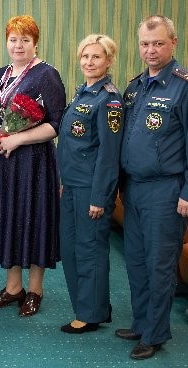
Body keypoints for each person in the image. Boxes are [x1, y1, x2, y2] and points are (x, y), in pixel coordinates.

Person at [117, 15, 188, 360]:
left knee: (159, 265)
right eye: (145, 43)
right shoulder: (135, 87)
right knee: (137, 263)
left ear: (173, 43)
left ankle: (155, 334)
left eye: (158, 43)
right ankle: (142, 323)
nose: (150, 50)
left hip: (167, 191)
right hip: (136, 189)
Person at [0, 15, 65, 317]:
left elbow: (56, 124)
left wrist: (19, 139)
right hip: (5, 161)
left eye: (25, 40)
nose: (18, 45)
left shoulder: (46, 74)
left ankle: (35, 290)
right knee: (9, 219)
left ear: (35, 43)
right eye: (13, 39)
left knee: (34, 219)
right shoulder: (0, 74)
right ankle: (13, 288)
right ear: (6, 42)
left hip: (35, 162)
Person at [57, 34, 122, 334]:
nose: (89, 62)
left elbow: (109, 156)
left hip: (91, 190)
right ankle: (89, 306)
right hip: (71, 186)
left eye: (96, 57)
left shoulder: (109, 101)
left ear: (109, 61)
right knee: (70, 250)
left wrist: (100, 196)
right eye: (85, 56)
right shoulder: (82, 93)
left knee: (89, 250)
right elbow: (70, 144)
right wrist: (62, 181)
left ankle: (91, 313)